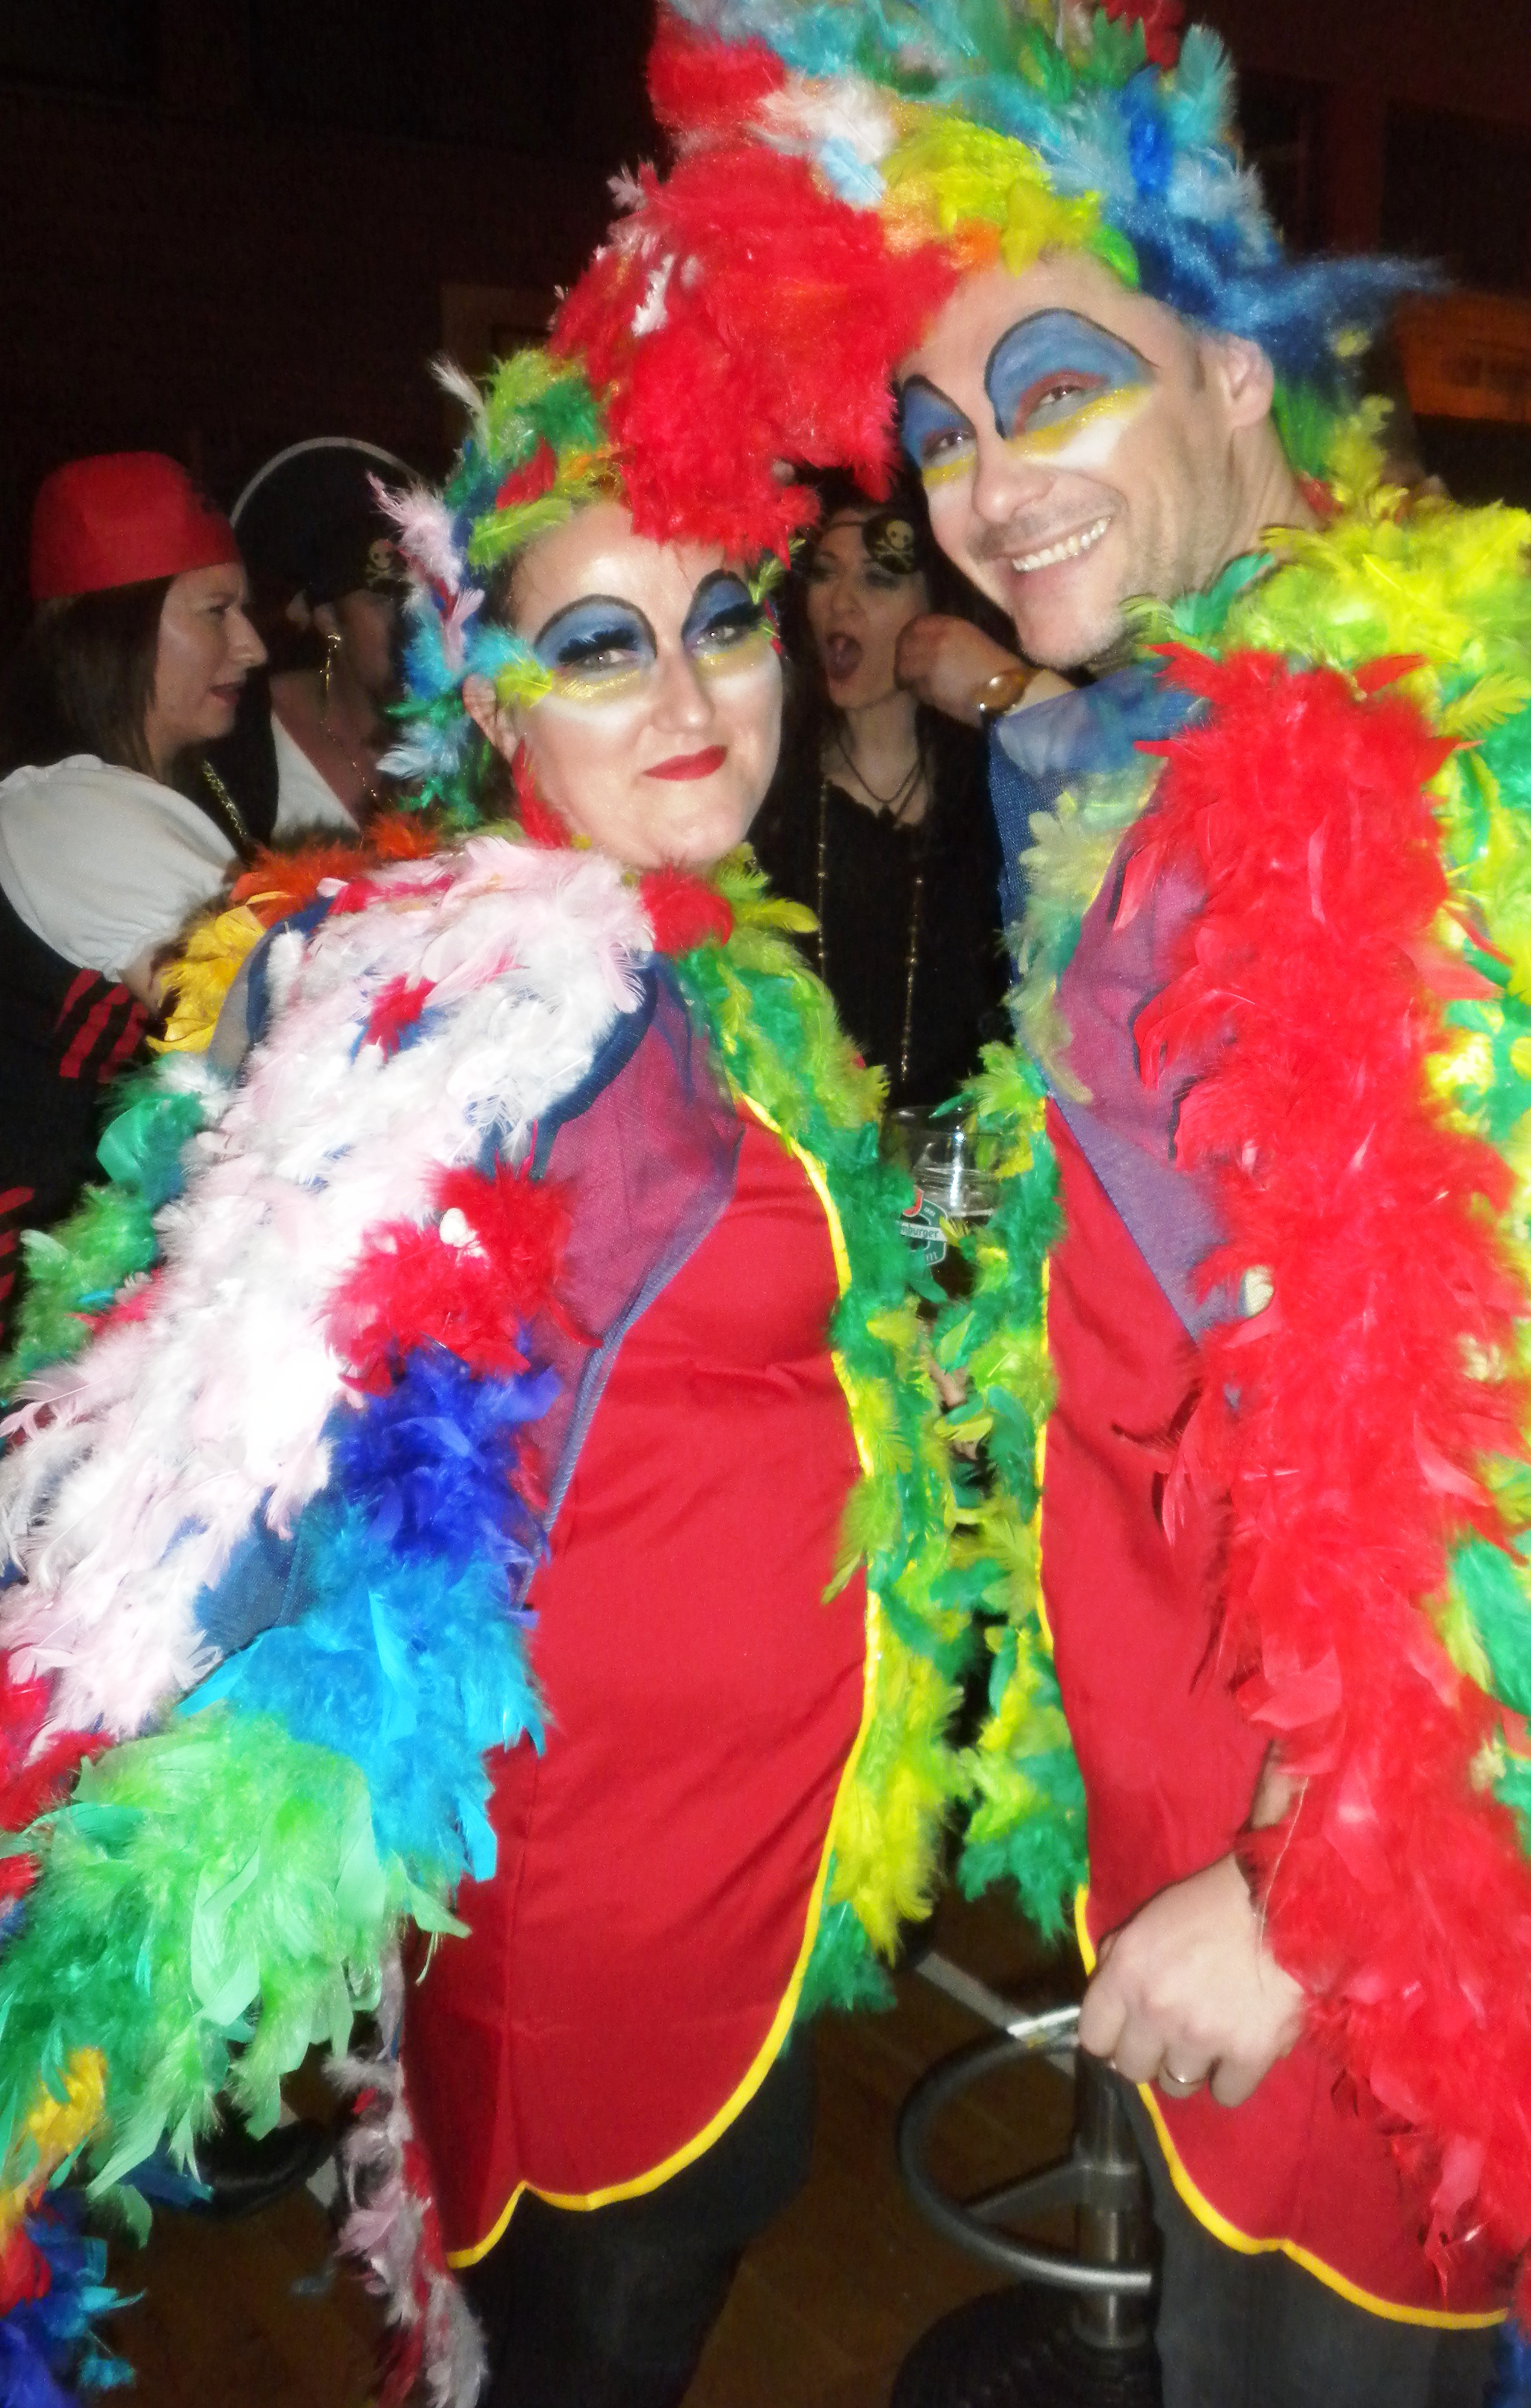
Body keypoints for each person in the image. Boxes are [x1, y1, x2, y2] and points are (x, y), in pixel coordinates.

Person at [651, 5, 1531, 2404]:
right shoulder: (1184, 718)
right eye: (941, 436)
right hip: (1216, 1776)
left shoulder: (1395, 766)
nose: (983, 489)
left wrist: (1305, 1891)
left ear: (1239, 368)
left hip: (1384, 1920)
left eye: (1054, 390)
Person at [0, 204, 966, 2408]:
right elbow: (216, 1445)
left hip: (761, 1837)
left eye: (720, 617)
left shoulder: (692, 938)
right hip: (610, 1882)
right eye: (600, 644)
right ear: (492, 693)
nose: (693, 692)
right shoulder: (475, 984)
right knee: (602, 2338)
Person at [0, 451, 263, 1342]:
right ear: (113, 629)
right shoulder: (72, 814)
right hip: (59, 1325)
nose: (253, 646)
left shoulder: (138, 794)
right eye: (216, 611)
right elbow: (279, 1021)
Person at [754, 471, 1010, 1106]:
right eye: (824, 573)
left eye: (878, 579)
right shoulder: (762, 792)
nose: (841, 602)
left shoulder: (997, 796)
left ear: (937, 611)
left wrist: (1005, 689)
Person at [223, 436, 414, 836]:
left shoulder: (470, 739)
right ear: (328, 619)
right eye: (383, 599)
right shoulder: (250, 732)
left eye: (426, 598)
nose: (411, 620)